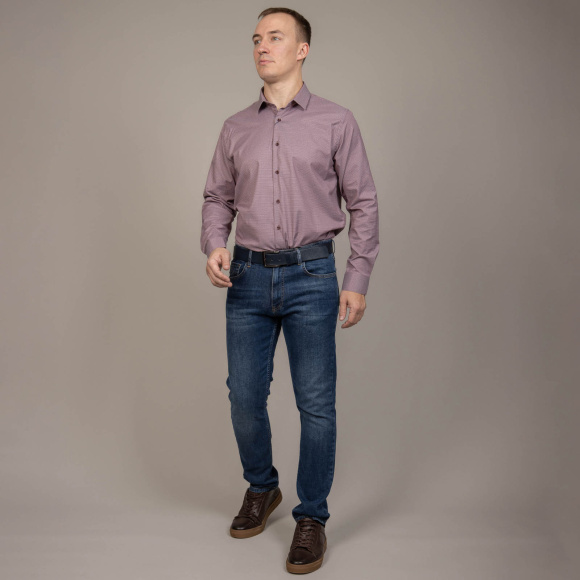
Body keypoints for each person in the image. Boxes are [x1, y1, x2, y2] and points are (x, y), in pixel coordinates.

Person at [200, 7, 379, 574]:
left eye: (275, 37)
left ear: (302, 49)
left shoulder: (336, 121)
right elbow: (217, 197)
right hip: (247, 277)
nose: (262, 46)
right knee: (244, 397)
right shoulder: (236, 127)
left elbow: (363, 202)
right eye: (257, 38)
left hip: (312, 277)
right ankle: (262, 486)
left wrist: (357, 277)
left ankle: (312, 518)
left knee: (316, 404)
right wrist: (214, 243)